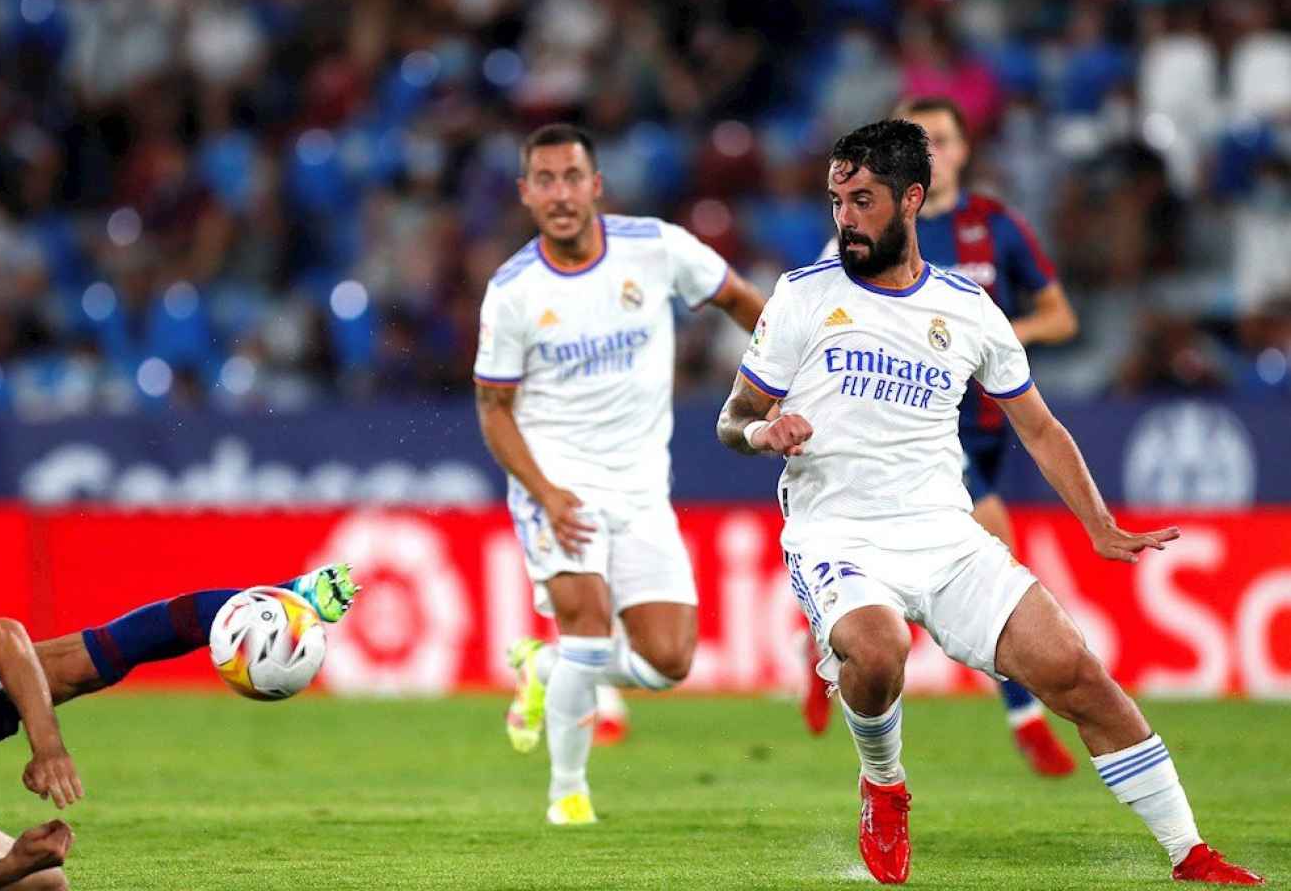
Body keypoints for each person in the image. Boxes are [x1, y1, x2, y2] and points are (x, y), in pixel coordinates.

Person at [714, 119, 1262, 885]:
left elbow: (1038, 426)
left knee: (1079, 675)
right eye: (837, 200)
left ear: (911, 199)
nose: (845, 218)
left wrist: (1100, 525)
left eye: (862, 200)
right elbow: (731, 419)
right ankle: (885, 783)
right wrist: (765, 430)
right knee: (878, 651)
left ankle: (1189, 852)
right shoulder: (803, 298)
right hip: (837, 532)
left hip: (946, 533)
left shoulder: (967, 308)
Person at [473, 123, 766, 825]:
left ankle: (541, 670)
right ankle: (566, 794)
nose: (560, 193)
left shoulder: (655, 248)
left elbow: (739, 299)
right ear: (526, 194)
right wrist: (544, 493)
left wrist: (794, 366)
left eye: (572, 177)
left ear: (595, 185)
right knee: (588, 634)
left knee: (670, 662)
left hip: (641, 489)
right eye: (544, 180)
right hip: (559, 485)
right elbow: (493, 409)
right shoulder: (512, 291)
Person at [799, 96, 1081, 777]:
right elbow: (813, 317)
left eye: (944, 138)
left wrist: (1002, 342)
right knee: (997, 539)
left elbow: (1060, 315)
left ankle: (832, 651)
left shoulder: (997, 228)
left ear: (959, 152)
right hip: (916, 436)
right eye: (919, 136)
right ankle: (1025, 719)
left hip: (988, 426)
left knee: (948, 568)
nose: (935, 147)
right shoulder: (866, 230)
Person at [0, 564, 358, 890]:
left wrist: (46, 745)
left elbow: (2, 636)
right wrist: (15, 863)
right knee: (45, 887)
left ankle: (273, 603)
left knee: (76, 667)